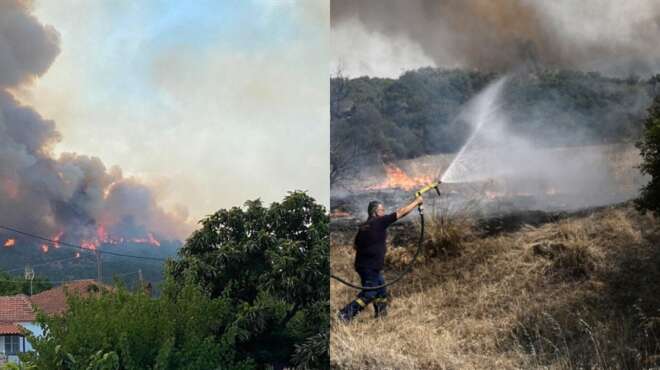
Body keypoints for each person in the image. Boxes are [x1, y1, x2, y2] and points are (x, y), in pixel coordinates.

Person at [337, 196, 423, 323]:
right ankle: (345, 314)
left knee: (381, 291)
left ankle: (381, 318)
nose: (384, 212)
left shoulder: (365, 226)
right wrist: (417, 202)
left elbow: (355, 245)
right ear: (375, 212)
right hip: (369, 267)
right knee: (369, 294)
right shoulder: (378, 222)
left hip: (368, 266)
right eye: (382, 210)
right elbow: (401, 212)